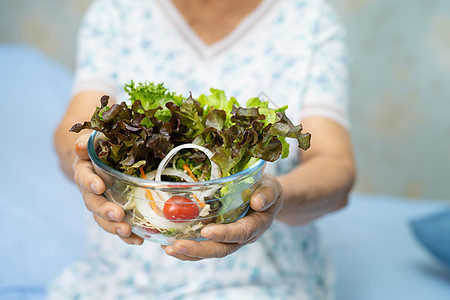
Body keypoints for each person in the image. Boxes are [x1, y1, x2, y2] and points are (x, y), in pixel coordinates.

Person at [50, 0, 355, 298]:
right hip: (120, 271)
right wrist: (85, 164)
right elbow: (77, 131)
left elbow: (334, 164)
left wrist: (271, 196)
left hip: (259, 279)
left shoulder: (309, 20)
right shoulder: (116, 11)